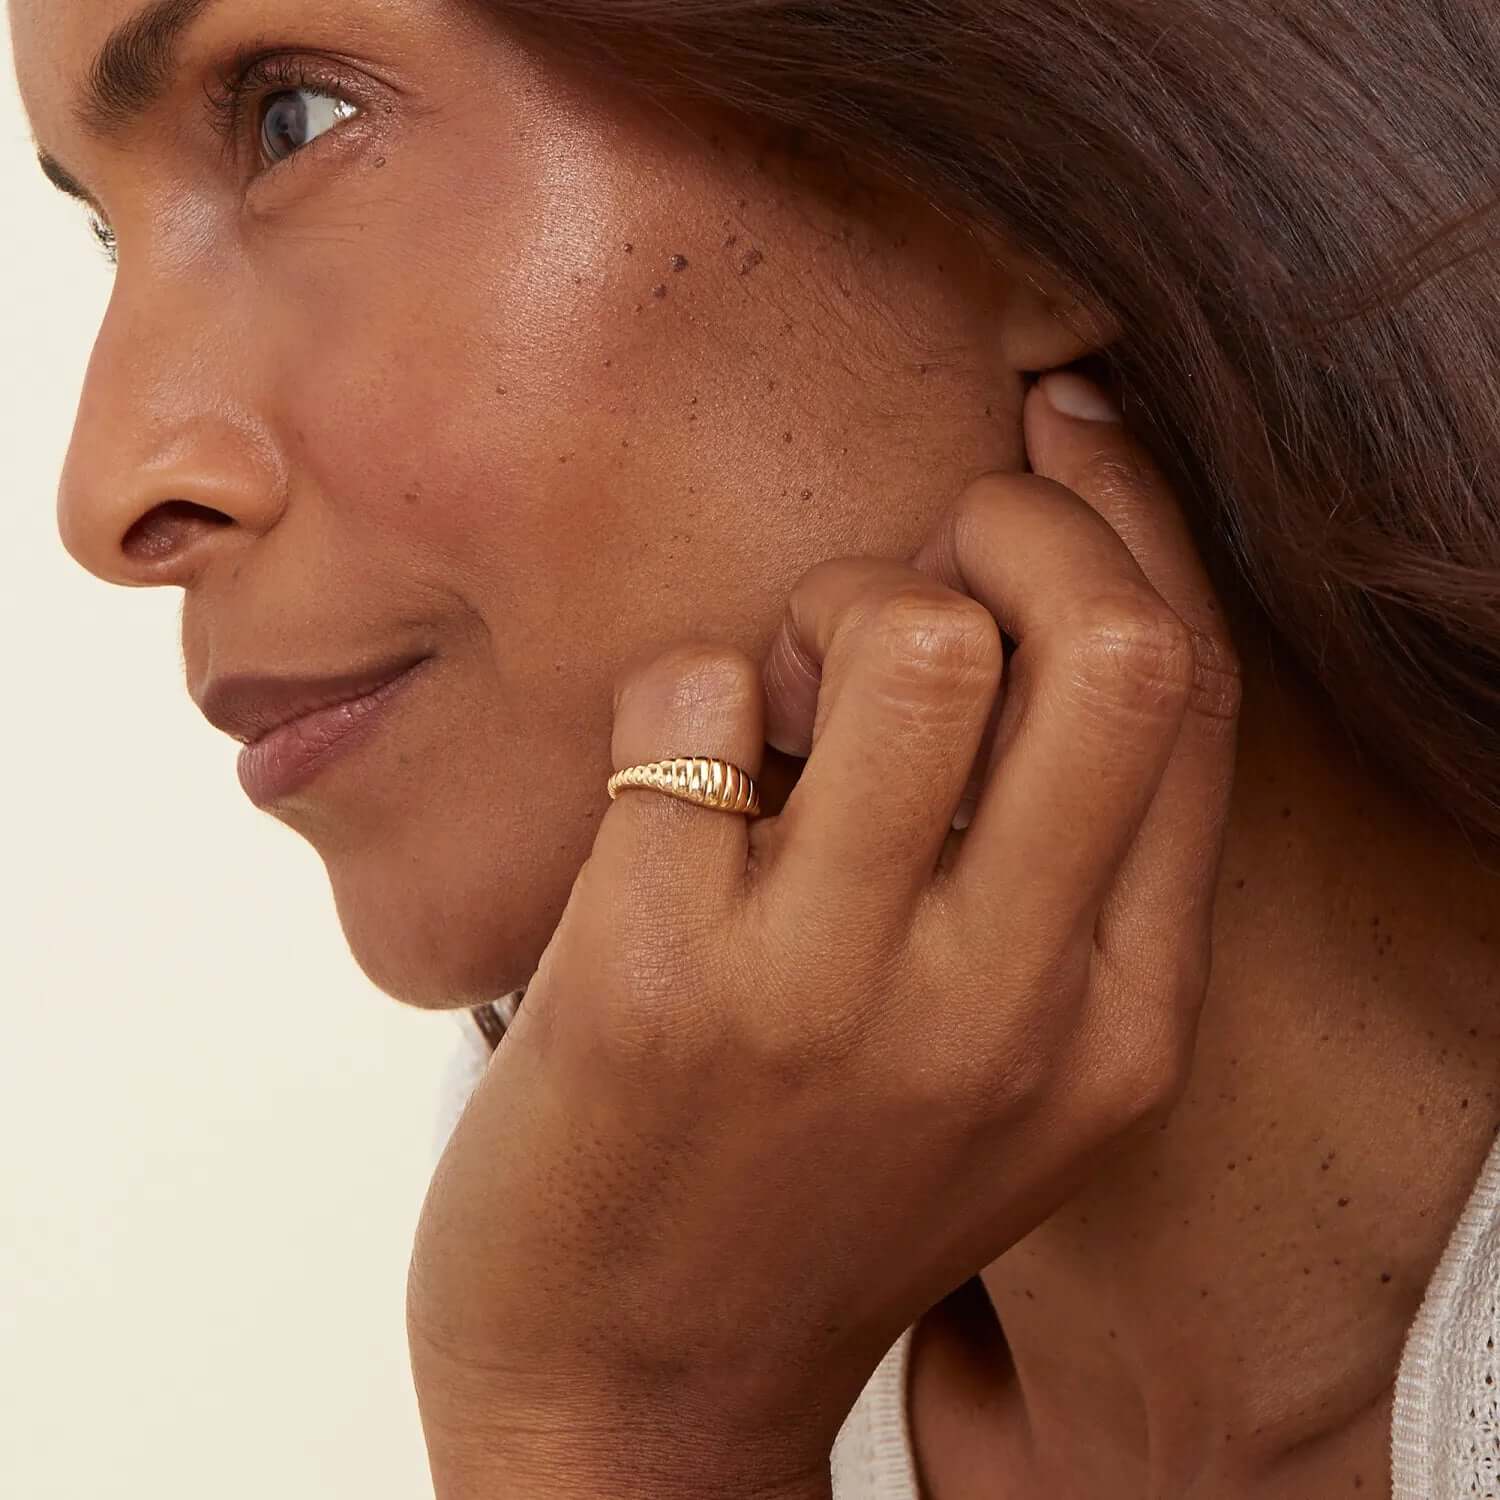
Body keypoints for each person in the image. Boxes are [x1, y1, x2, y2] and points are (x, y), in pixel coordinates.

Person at [10, 1, 1499, 1496]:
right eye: (108, 232)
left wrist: (616, 1429)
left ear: (1019, 172)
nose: (105, 491)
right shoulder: (627, 1222)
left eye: (294, 120)